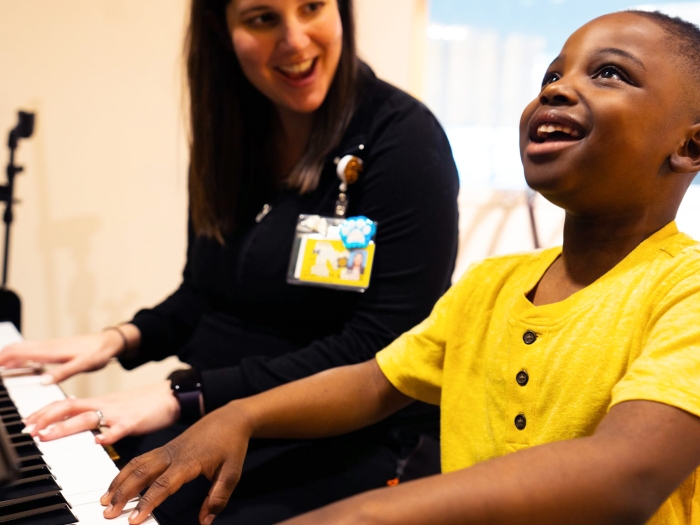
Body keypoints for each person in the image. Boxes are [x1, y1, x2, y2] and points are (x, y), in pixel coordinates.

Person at [102, 10, 700, 525]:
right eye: (551, 74)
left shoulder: (686, 289)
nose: (557, 89)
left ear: (691, 147)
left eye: (609, 73)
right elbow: (373, 381)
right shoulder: (491, 286)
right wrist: (239, 414)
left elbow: (631, 472)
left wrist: (361, 513)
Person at [2, 0, 459, 523]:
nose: (294, 40)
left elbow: (379, 348)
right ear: (223, 31)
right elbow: (204, 293)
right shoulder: (235, 133)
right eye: (263, 18)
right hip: (218, 412)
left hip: (344, 438)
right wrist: (117, 339)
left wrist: (182, 396)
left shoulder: (404, 142)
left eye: (312, 7)